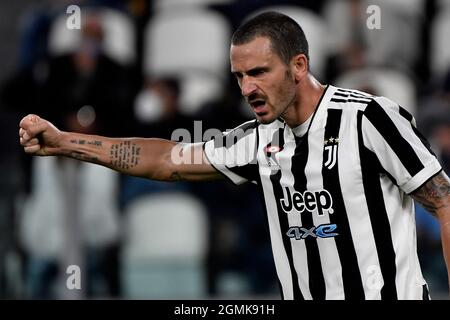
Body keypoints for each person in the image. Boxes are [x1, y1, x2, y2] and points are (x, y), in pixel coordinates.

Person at [18, 11, 450, 300]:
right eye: (239, 76)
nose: (247, 89)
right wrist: (64, 142)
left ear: (299, 66)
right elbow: (167, 160)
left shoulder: (368, 120)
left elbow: (444, 203)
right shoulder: (258, 141)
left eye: (259, 72)